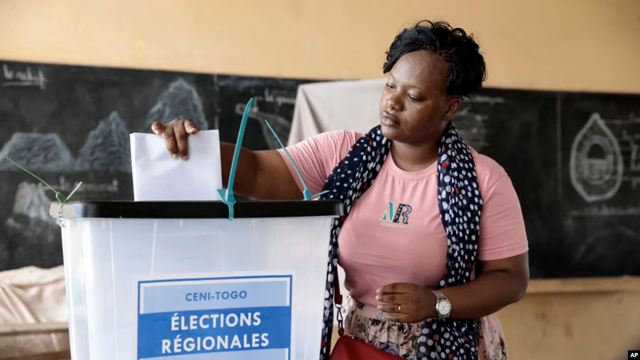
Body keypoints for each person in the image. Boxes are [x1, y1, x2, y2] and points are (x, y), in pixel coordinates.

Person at [152, 20, 529, 360]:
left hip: (452, 347)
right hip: (361, 347)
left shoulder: (484, 180)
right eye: (389, 86)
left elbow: (510, 280)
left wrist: (437, 303)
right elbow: (253, 171)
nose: (392, 103)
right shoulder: (342, 154)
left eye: (414, 97)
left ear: (450, 108)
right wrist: (192, 147)